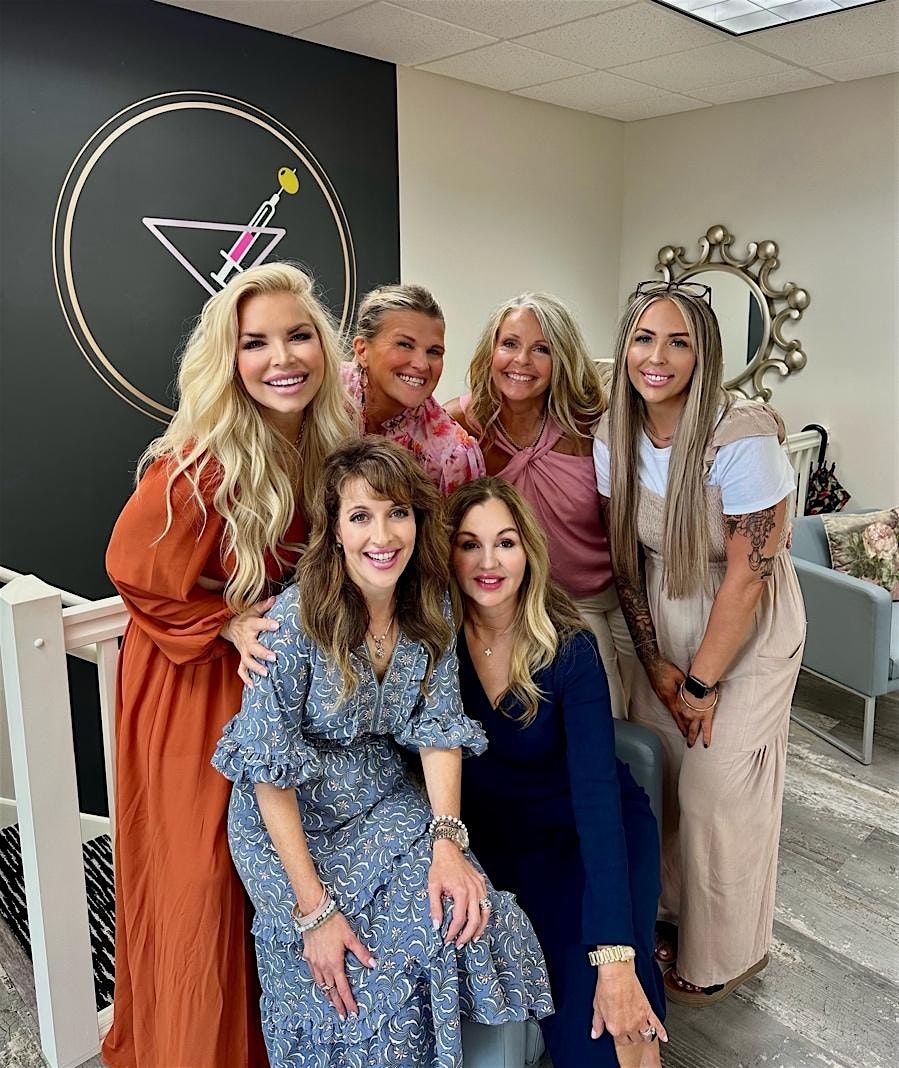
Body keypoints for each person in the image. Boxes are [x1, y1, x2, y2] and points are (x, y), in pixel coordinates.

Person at [212, 438, 552, 1067]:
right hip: (290, 824)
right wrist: (314, 912)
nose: (383, 535)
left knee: (464, 912)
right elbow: (267, 775)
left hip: (379, 796)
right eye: (361, 516)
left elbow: (440, 730)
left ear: (418, 520)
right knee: (351, 972)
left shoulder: (431, 605)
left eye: (397, 513)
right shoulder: (293, 622)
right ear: (336, 530)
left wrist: (447, 842)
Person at [102, 263, 354, 1067]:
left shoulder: (327, 445)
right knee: (203, 882)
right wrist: (225, 621)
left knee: (271, 880)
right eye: (256, 343)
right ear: (228, 358)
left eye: (298, 335)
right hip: (193, 689)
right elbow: (131, 569)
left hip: (273, 687)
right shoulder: (198, 462)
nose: (282, 358)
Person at [593, 280, 805, 1006]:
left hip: (743, 622)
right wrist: (655, 661)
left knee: (716, 786)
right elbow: (624, 555)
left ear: (704, 354)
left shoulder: (739, 437)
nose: (657, 358)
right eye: (644, 339)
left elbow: (748, 576)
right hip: (661, 610)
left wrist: (700, 684)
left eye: (678, 342)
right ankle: (674, 915)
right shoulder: (613, 431)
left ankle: (726, 951)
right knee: (667, 777)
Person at [448, 477, 667, 1068]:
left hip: (595, 835)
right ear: (448, 554)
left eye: (505, 542)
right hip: (504, 854)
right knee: (578, 1013)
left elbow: (597, 797)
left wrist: (615, 953)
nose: (489, 562)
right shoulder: (434, 645)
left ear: (528, 551)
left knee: (614, 1012)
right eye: (470, 544)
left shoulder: (569, 646)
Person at [446, 293, 634, 719]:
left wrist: (750, 419)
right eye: (510, 344)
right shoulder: (464, 424)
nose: (522, 361)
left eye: (541, 349)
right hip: (559, 601)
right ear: (491, 350)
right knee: (610, 717)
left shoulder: (590, 420)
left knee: (655, 713)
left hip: (625, 589)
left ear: (561, 358)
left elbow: (667, 420)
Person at [343, 283, 485, 494]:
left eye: (434, 351)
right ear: (362, 350)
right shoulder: (318, 394)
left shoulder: (451, 456)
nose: (421, 364)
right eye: (405, 345)